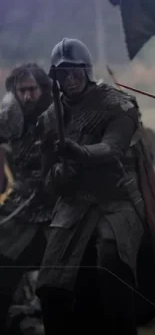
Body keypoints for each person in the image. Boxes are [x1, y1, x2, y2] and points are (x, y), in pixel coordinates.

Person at [35, 38, 155, 334]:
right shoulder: (49, 118)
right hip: (74, 204)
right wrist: (60, 173)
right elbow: (48, 181)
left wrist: (78, 152)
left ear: (86, 71)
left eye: (75, 72)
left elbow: (112, 148)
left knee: (112, 263)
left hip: (117, 200)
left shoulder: (118, 105)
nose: (69, 79)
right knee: (50, 284)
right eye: (62, 74)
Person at [0, 64, 55, 331]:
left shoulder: (58, 114)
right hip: (22, 206)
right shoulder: (9, 117)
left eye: (32, 89)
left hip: (58, 205)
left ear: (42, 89)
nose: (27, 96)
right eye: (21, 90)